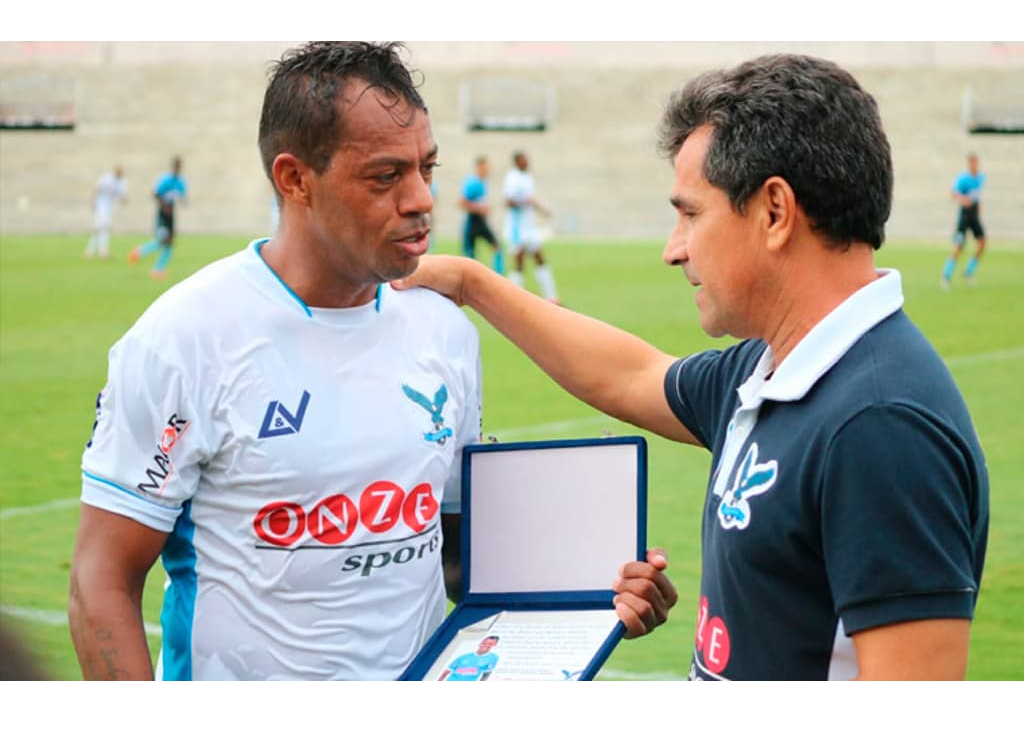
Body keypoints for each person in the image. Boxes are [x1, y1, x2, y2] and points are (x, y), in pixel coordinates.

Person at [68, 41, 676, 681]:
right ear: (295, 179)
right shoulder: (183, 338)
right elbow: (101, 578)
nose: (421, 200)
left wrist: (592, 591)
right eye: (386, 176)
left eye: (427, 169)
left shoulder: (443, 330)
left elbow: (449, 557)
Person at [395, 54, 990, 681]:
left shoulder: (878, 423)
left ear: (774, 212)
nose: (672, 249)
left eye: (691, 214)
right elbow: (627, 376)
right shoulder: (776, 371)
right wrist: (470, 283)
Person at [503, 151, 559, 303]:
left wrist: (541, 210)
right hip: (517, 228)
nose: (527, 162)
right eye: (524, 160)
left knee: (540, 258)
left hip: (529, 227)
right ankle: (512, 298)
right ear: (517, 162)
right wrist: (523, 202)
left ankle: (551, 297)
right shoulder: (512, 178)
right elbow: (508, 201)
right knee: (519, 263)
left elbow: (531, 200)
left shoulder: (527, 177)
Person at [128, 156, 187, 279]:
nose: (178, 168)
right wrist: (164, 205)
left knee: (169, 242)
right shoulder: (166, 179)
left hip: (171, 213)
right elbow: (155, 193)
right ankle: (151, 264)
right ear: (173, 166)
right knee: (164, 241)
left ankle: (148, 261)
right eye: (176, 165)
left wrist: (181, 200)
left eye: (179, 166)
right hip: (163, 213)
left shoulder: (181, 181)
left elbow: (181, 196)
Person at [941, 152, 987, 290]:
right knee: (959, 246)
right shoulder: (963, 179)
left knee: (982, 243)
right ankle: (946, 275)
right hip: (965, 216)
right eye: (972, 162)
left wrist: (979, 206)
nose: (974, 165)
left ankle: (968, 272)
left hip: (974, 216)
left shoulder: (981, 178)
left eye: (976, 162)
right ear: (969, 163)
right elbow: (953, 194)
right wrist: (963, 199)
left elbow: (977, 195)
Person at [459, 156, 504, 273]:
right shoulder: (472, 183)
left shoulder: (482, 182)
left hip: (482, 222)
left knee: (497, 247)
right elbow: (462, 202)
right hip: (472, 222)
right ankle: (470, 279)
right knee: (470, 256)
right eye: (485, 167)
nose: (487, 170)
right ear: (479, 167)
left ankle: (498, 276)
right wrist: (481, 209)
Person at [83, 164, 127, 259]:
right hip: (101, 204)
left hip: (110, 207)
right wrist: (93, 203)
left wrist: (124, 200)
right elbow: (96, 189)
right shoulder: (107, 178)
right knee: (102, 227)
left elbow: (122, 195)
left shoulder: (121, 182)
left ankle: (91, 250)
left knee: (102, 228)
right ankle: (101, 251)